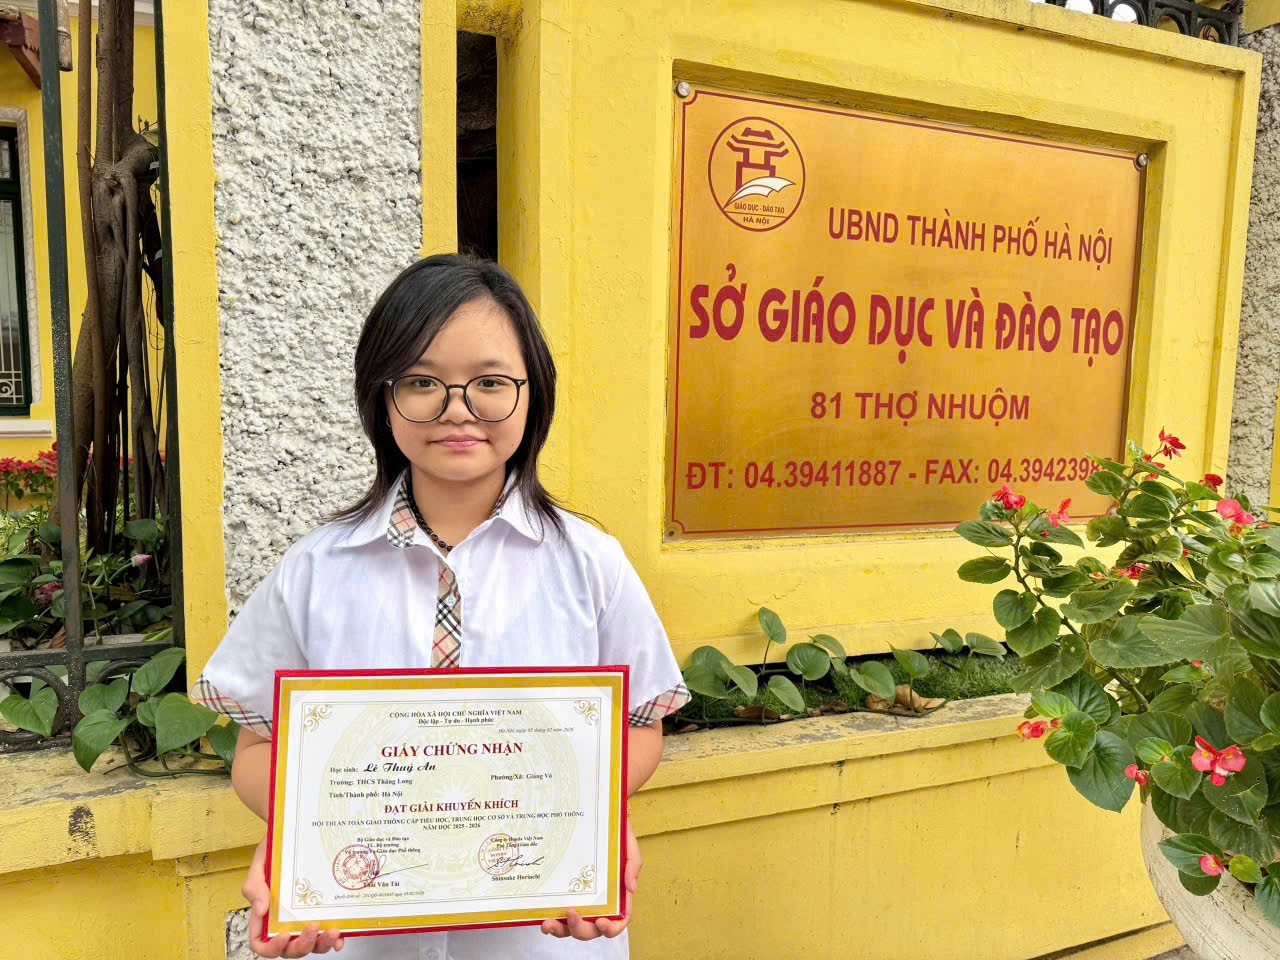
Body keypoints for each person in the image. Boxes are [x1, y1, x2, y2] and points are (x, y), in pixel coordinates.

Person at [193, 254, 690, 959]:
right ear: (382, 395)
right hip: (359, 939)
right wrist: (300, 834)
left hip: (544, 938)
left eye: (490, 382)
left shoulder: (592, 566)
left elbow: (640, 726)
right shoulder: (314, 571)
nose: (457, 409)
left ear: (533, 393)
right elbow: (258, 747)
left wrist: (591, 814)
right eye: (422, 382)